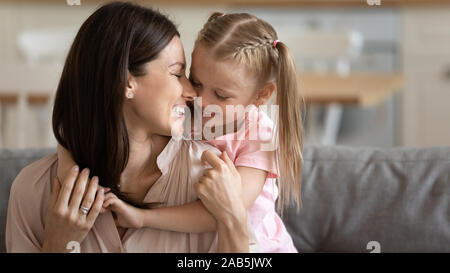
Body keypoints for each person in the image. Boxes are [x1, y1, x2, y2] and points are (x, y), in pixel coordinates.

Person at [5, 2, 249, 253]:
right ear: (126, 81)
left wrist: (233, 218)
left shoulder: (209, 179)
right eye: (177, 74)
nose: (191, 93)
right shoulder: (33, 191)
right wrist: (57, 244)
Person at [90, 12, 304, 253]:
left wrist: (144, 218)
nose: (200, 100)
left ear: (261, 95)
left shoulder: (261, 135)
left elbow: (222, 211)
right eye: (196, 81)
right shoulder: (188, 111)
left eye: (221, 95)